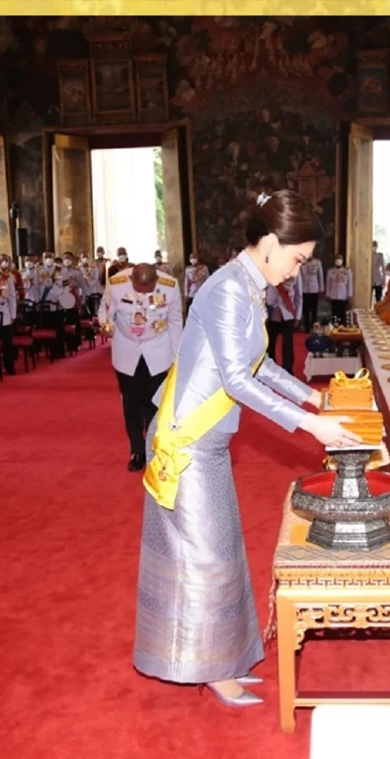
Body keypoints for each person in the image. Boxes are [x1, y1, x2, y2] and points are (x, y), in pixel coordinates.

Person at [134, 189, 361, 706]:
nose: (298, 270)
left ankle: (227, 657)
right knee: (205, 555)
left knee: (222, 547)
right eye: (296, 258)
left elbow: (259, 363)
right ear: (267, 242)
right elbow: (237, 379)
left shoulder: (247, 285)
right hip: (186, 441)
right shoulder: (229, 290)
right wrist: (309, 427)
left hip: (209, 442)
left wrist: (313, 398)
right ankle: (210, 668)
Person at [103, 263, 184, 471]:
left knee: (155, 405)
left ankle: (154, 449)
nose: (144, 292)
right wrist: (106, 324)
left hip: (158, 351)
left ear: (156, 280)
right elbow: (105, 312)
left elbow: (175, 321)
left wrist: (177, 356)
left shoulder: (170, 286)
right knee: (131, 404)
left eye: (149, 288)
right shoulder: (116, 284)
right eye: (140, 288)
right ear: (132, 279)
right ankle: (137, 451)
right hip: (127, 350)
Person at [265, 265, 301, 374]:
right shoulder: (268, 269)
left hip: (287, 313)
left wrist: (298, 316)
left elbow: (299, 296)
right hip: (271, 314)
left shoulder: (295, 271)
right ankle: (270, 369)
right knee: (270, 344)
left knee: (288, 344)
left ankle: (288, 369)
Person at [298, 252, 324, 331]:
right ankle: (306, 327)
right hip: (304, 289)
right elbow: (299, 276)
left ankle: (314, 327)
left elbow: (320, 275)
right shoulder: (302, 263)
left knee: (314, 310)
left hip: (314, 289)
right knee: (305, 310)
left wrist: (321, 287)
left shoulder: (317, 262)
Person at [325, 253, 352, 325]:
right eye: (337, 259)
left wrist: (349, 294)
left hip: (343, 295)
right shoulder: (330, 271)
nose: (338, 261)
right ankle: (335, 328)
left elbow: (349, 283)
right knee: (334, 314)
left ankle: (343, 328)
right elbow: (328, 283)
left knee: (343, 313)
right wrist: (328, 294)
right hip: (333, 295)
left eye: (340, 259)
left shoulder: (347, 271)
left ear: (342, 260)